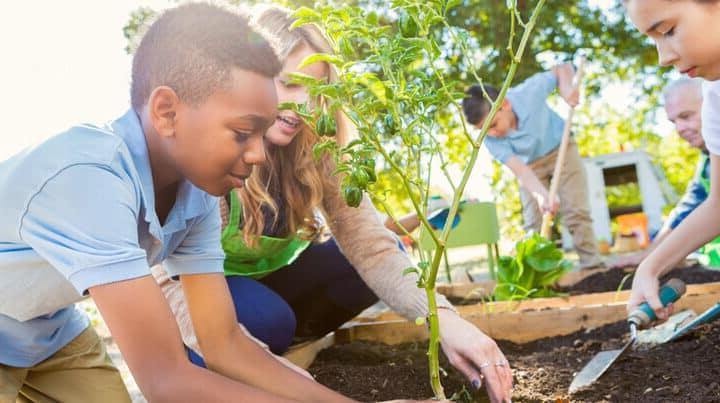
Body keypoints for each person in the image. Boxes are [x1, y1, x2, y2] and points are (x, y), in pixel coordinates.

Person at [0, 4, 371, 402]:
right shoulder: (89, 180)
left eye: (262, 134)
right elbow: (166, 380)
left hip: (47, 330)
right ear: (167, 112)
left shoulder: (196, 198)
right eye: (244, 132)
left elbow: (224, 344)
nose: (260, 154)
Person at [155, 5, 513, 403]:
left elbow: (372, 247)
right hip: (194, 298)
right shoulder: (211, 151)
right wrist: (309, 392)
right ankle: (250, 356)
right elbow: (167, 284)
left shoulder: (318, 148)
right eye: (289, 84)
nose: (304, 107)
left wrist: (443, 318)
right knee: (266, 318)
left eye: (317, 90)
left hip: (263, 289)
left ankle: (276, 350)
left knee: (369, 262)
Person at [623, 0, 720, 320]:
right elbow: (717, 205)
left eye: (668, 31)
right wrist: (650, 267)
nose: (663, 58)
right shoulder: (715, 97)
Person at [462, 64, 605, 270]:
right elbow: (520, 170)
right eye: (484, 131)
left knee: (575, 212)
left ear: (505, 104)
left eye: (493, 125)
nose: (491, 134)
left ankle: (593, 267)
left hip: (561, 150)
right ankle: (539, 275)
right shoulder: (491, 140)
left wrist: (566, 88)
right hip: (530, 166)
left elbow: (562, 69)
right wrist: (541, 195)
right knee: (534, 222)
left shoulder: (527, 94)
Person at [612, 78, 720, 268]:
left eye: (686, 116)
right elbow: (685, 212)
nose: (679, 129)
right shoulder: (706, 161)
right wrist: (649, 257)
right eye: (673, 122)